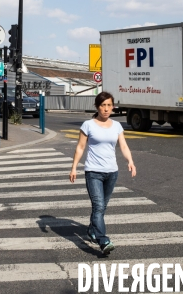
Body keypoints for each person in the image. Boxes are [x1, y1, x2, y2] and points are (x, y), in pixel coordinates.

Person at [69, 91, 136, 255]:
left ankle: (92, 230)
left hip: (112, 172)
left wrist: (130, 161)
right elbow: (80, 147)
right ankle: (103, 240)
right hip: (93, 172)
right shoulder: (88, 125)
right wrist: (74, 167)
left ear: (113, 106)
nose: (106, 109)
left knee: (102, 207)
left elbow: (124, 146)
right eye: (103, 105)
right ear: (97, 107)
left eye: (109, 105)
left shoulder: (117, 126)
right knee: (98, 206)